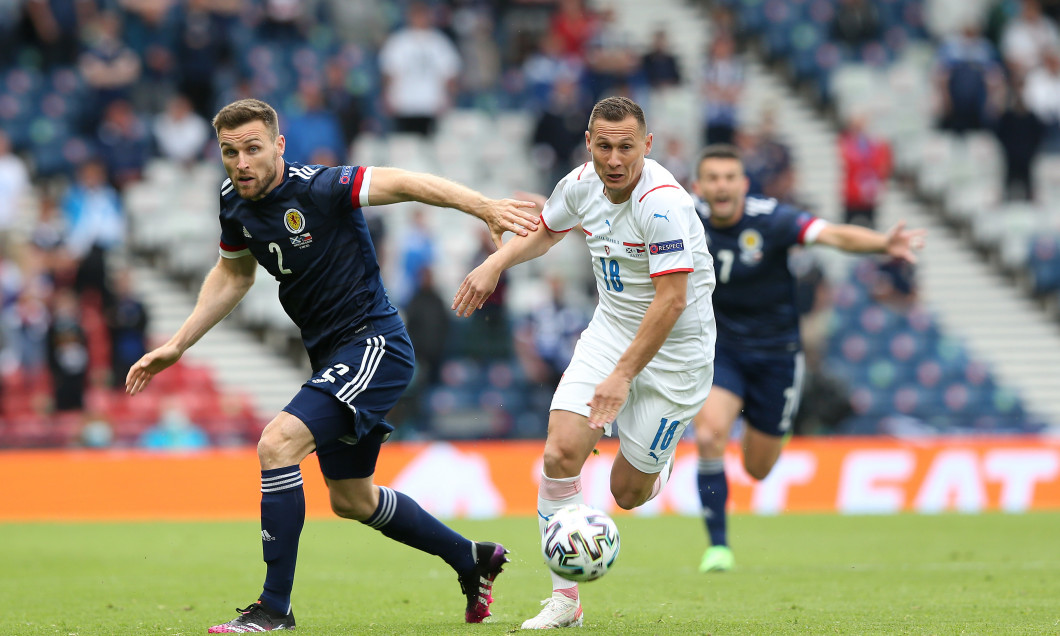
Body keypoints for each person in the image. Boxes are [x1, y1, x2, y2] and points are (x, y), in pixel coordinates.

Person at [125, 98, 540, 632]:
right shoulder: (233, 200)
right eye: (230, 152)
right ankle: (472, 558)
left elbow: (405, 182)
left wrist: (481, 205)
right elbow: (234, 276)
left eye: (253, 148)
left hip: (373, 345)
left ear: (278, 145)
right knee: (351, 498)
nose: (241, 162)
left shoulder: (319, 187)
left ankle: (274, 608)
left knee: (276, 445)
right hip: (332, 355)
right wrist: (178, 343)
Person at [452, 96, 716, 629]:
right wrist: (496, 263)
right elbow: (548, 230)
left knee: (626, 493)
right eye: (603, 146)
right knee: (559, 453)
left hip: (677, 356)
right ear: (589, 143)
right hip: (610, 332)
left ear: (646, 145)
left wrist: (622, 378)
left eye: (626, 147)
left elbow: (671, 301)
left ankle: (655, 460)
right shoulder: (580, 183)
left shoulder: (663, 204)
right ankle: (564, 601)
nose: (614, 159)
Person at [690, 144, 925, 573]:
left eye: (729, 178)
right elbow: (620, 226)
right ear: (699, 186)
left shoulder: (772, 219)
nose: (721, 186)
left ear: (743, 184)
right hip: (719, 348)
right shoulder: (684, 216)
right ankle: (718, 547)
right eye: (713, 178)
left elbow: (832, 234)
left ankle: (765, 429)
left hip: (777, 354)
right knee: (708, 437)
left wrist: (881, 243)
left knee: (758, 468)